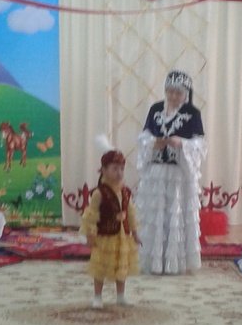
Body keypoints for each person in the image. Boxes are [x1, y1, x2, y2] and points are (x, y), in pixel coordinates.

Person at [136, 70, 205, 274]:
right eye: (170, 92)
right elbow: (144, 136)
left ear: (186, 94)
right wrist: (152, 143)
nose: (173, 96)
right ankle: (153, 262)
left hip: (178, 175)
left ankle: (174, 263)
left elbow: (200, 144)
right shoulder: (155, 109)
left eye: (178, 93)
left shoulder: (193, 113)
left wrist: (181, 143)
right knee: (156, 216)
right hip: (156, 173)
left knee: (175, 216)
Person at [81, 148, 140, 308]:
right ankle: (97, 297)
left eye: (121, 169)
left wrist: (134, 232)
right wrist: (90, 234)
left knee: (122, 265)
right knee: (101, 266)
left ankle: (120, 296)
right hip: (105, 236)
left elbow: (131, 212)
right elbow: (91, 215)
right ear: (104, 170)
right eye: (114, 169)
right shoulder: (99, 193)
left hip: (123, 236)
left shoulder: (126, 192)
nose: (119, 173)